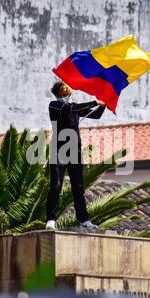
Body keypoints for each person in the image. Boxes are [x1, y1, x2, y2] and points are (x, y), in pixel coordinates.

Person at [46, 81, 106, 230]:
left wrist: (103, 106)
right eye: (62, 95)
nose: (65, 97)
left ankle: (84, 219)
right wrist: (94, 101)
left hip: (75, 151)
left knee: (78, 187)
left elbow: (96, 115)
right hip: (59, 150)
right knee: (56, 185)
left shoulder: (75, 108)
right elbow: (69, 107)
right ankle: (51, 219)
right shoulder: (55, 106)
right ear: (57, 95)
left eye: (67, 94)